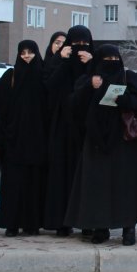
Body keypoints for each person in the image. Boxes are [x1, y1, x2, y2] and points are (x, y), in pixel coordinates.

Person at [64, 45, 137, 244]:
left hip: (124, 140)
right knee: (97, 186)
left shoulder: (128, 77)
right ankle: (100, 227)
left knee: (126, 186)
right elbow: (73, 106)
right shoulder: (89, 79)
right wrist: (90, 86)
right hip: (96, 140)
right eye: (107, 58)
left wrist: (124, 99)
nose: (111, 62)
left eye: (115, 58)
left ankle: (128, 228)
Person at [43, 25, 93, 236]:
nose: (80, 48)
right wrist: (62, 60)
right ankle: (62, 222)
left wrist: (92, 63)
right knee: (62, 176)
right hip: (62, 128)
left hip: (88, 128)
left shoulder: (94, 62)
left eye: (84, 44)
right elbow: (48, 87)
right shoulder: (59, 63)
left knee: (87, 176)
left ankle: (88, 223)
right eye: (75, 44)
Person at [0, 40, 49, 237]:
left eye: (30, 52)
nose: (26, 56)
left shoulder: (43, 75)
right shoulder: (11, 76)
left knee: (34, 183)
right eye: (23, 52)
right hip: (14, 140)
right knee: (13, 183)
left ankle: (32, 224)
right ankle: (12, 223)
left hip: (37, 140)